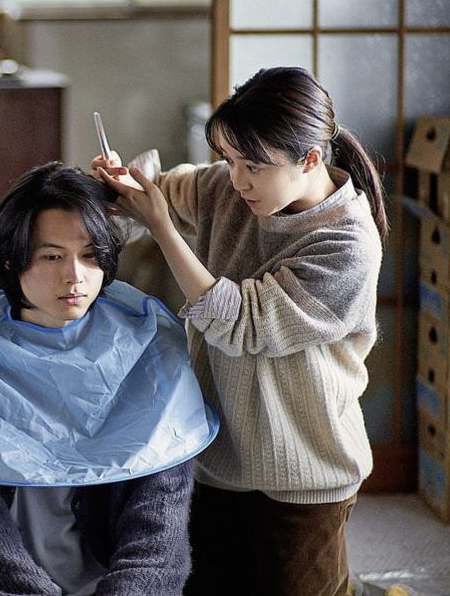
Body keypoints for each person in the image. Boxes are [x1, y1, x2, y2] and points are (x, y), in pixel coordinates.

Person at [93, 66, 387, 596]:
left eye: (253, 165)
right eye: (229, 160)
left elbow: (241, 323)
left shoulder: (348, 244)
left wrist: (160, 226)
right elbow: (157, 193)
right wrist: (122, 187)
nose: (236, 179)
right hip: (215, 458)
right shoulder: (228, 190)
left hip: (305, 474)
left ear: (311, 159)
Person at [0, 162, 218, 596]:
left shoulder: (150, 351)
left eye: (91, 255)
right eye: (52, 256)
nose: (74, 275)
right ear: (10, 260)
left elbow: (156, 545)